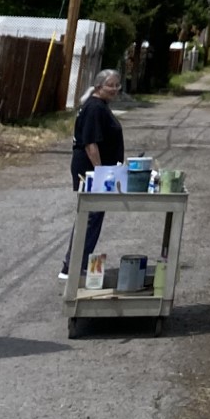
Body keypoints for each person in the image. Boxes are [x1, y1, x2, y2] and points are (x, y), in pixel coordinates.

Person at [60, 68, 125, 282]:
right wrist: (101, 173)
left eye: (117, 85)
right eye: (111, 85)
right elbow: (90, 144)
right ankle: (73, 266)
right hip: (91, 171)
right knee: (90, 216)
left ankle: (75, 263)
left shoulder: (100, 106)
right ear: (99, 87)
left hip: (99, 170)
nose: (115, 89)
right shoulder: (95, 108)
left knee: (91, 216)